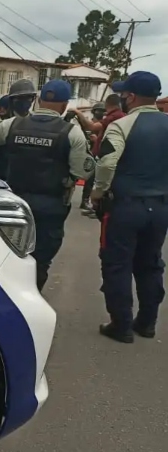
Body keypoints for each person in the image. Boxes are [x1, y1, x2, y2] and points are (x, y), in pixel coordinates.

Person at [0, 79, 92, 291]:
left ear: (40, 100)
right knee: (40, 259)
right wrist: (67, 179)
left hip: (14, 202)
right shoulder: (72, 133)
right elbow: (83, 171)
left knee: (7, 252)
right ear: (64, 105)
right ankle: (32, 297)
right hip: (50, 205)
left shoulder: (11, 126)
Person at [90, 71, 168, 343]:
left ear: (131, 96)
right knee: (150, 264)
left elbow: (108, 162)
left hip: (125, 206)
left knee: (117, 264)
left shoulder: (122, 125)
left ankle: (121, 324)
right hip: (160, 208)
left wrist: (98, 193)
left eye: (123, 94)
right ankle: (147, 322)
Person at [71, 96, 125, 216]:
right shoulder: (113, 116)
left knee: (99, 180)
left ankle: (99, 206)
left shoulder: (115, 116)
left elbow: (92, 127)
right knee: (92, 179)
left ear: (107, 104)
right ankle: (94, 205)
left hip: (106, 156)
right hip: (101, 153)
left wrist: (78, 113)